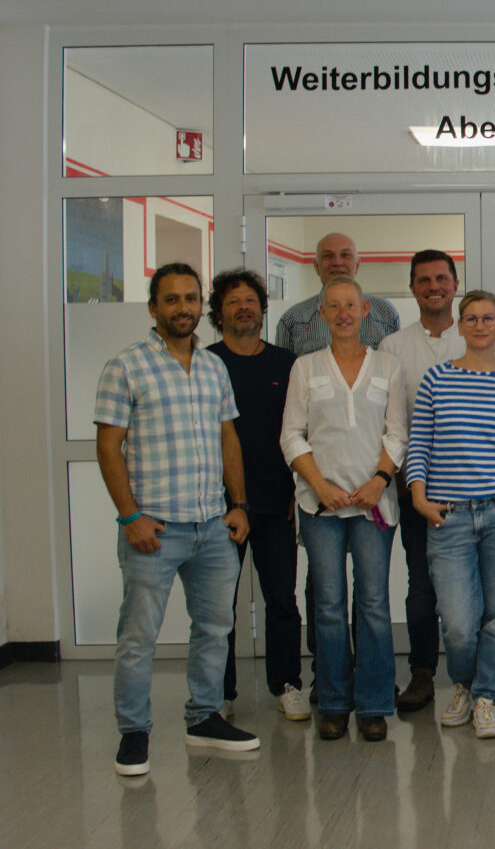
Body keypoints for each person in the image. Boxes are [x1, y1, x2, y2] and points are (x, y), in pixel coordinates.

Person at [96, 262, 259, 777]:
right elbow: (108, 446)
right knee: (138, 637)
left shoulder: (214, 368)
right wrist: (130, 517)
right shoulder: (125, 366)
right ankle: (133, 732)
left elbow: (227, 437)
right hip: (155, 530)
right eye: (172, 299)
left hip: (212, 525)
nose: (183, 308)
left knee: (214, 628)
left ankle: (204, 717)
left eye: (190, 299)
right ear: (153, 308)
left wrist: (239, 505)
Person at [405, 291, 495, 740]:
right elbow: (419, 445)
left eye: (489, 318)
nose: (480, 325)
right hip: (449, 516)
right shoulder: (436, 379)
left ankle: (486, 698)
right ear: (460, 326)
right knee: (460, 624)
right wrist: (419, 497)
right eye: (471, 318)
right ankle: (462, 684)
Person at [280, 276, 407, 742]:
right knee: (329, 606)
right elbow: (292, 434)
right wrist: (318, 484)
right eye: (333, 306)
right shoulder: (305, 368)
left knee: (373, 605)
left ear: (365, 310)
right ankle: (334, 702)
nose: (343, 313)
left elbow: (397, 432)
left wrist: (379, 481)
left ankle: (373, 702)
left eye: (350, 304)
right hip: (321, 506)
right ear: (322, 314)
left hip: (374, 504)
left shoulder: (387, 367)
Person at [206, 267, 306, 722]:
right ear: (218, 312)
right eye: (233, 301)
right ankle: (220, 692)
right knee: (218, 606)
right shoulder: (205, 363)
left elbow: (302, 431)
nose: (243, 307)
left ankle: (287, 684)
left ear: (264, 309)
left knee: (282, 600)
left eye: (250, 300)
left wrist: (297, 489)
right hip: (217, 507)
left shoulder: (288, 364)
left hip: (276, 503)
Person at [377, 249, 465, 712]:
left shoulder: (476, 337)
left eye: (441, 279)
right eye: (424, 280)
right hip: (416, 488)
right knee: (422, 585)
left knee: (473, 586)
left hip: (473, 488)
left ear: (455, 284)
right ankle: (424, 673)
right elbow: (393, 423)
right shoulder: (393, 347)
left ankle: (474, 678)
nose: (434, 287)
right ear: (412, 288)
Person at [273, 232, 401, 355]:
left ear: (357, 265)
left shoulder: (385, 313)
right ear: (317, 266)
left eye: (345, 255)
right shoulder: (292, 320)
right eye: (328, 256)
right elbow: (282, 373)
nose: (337, 262)